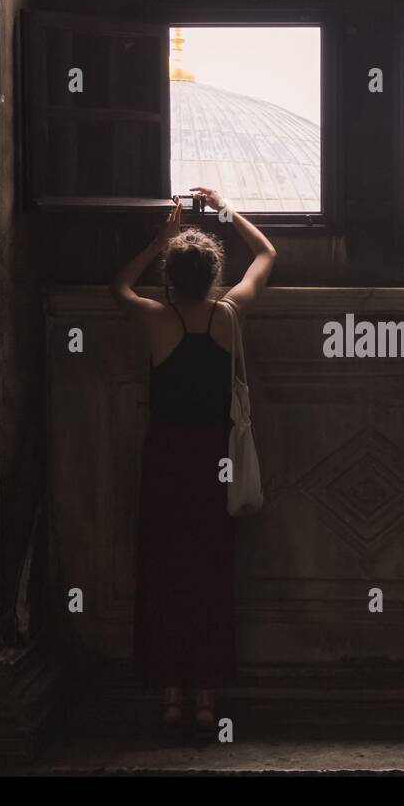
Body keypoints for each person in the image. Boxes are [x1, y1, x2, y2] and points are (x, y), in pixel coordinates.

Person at [109, 186, 276, 738]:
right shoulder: (229, 316)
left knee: (165, 572)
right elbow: (267, 255)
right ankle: (207, 701)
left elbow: (118, 286)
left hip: (166, 457)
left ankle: (171, 698)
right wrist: (225, 209)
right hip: (214, 461)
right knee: (210, 572)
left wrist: (157, 239)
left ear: (171, 276)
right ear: (212, 275)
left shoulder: (159, 321)